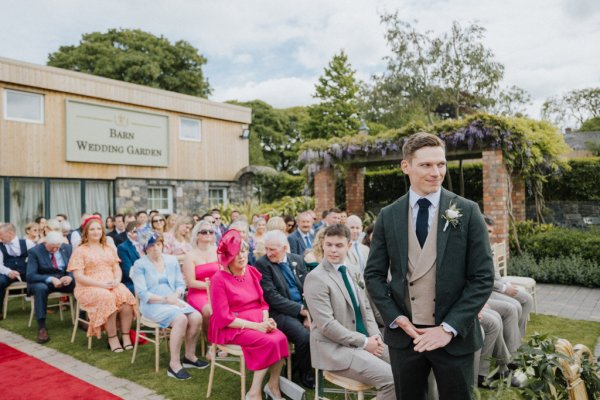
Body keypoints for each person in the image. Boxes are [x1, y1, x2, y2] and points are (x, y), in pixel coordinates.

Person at [364, 132, 494, 399]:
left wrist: (448, 328)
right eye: (426, 165)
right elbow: (374, 275)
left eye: (441, 164)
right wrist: (395, 318)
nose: (436, 172)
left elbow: (482, 278)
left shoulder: (468, 212)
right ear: (406, 166)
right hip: (405, 338)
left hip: (454, 339)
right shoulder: (388, 216)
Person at [304, 224, 395, 400]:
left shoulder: (353, 271)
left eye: (339, 245)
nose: (332, 250)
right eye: (329, 244)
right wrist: (364, 342)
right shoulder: (315, 278)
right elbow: (327, 326)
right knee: (392, 379)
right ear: (322, 244)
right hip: (335, 349)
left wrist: (375, 336)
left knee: (409, 367)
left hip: (365, 339)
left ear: (349, 246)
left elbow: (366, 308)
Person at [209, 230, 289, 400]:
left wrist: (266, 320)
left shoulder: (251, 271)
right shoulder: (219, 279)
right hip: (231, 326)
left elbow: (262, 303)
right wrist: (257, 326)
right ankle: (254, 392)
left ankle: (273, 385)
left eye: (243, 251)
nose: (241, 256)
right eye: (235, 253)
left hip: (256, 321)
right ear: (227, 256)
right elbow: (223, 317)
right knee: (269, 342)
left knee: (281, 338)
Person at [132, 234, 208, 379]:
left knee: (197, 317)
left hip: (173, 300)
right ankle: (174, 365)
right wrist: (166, 299)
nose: (155, 248)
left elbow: (180, 284)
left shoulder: (171, 260)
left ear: (163, 245)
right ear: (145, 248)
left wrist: (175, 295)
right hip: (152, 303)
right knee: (180, 319)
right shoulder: (140, 264)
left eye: (158, 244)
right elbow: (142, 293)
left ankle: (189, 356)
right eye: (151, 245)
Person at [67, 215, 137, 352]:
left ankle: (126, 335)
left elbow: (116, 268)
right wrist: (101, 285)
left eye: (99, 228)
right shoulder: (80, 250)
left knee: (126, 297)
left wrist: (117, 280)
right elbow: (79, 276)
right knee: (107, 298)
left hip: (111, 283)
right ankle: (112, 337)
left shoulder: (109, 248)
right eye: (92, 229)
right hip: (89, 286)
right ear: (86, 232)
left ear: (102, 231)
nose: (96, 232)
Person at [254, 230, 314, 389]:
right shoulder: (262, 264)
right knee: (304, 337)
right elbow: (272, 297)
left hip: (303, 309)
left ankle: (296, 363)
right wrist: (301, 310)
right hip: (278, 313)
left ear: (284, 247)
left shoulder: (297, 260)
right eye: (266, 249)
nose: (268, 253)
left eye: (272, 249)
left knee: (325, 328)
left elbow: (309, 288)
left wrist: (308, 313)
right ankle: (305, 376)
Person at [485, 216, 533, 337]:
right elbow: (483, 278)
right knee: (515, 306)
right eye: (485, 230)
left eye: (490, 231)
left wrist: (506, 284)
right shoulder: (475, 247)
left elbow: (495, 273)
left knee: (527, 299)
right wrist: (504, 288)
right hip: (489, 289)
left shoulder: (488, 245)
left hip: (497, 284)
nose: (488, 234)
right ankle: (513, 340)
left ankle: (519, 336)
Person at [26, 231, 74, 343]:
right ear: (46, 243)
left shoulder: (67, 248)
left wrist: (69, 277)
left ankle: (83, 318)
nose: (55, 250)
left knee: (79, 283)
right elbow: (30, 275)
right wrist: (51, 279)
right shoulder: (35, 251)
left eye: (57, 247)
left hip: (63, 279)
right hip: (43, 281)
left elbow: (73, 267)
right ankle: (42, 326)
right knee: (40, 289)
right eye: (52, 248)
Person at [183, 220, 219, 337]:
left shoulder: (218, 252)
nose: (208, 234)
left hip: (217, 291)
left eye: (211, 231)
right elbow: (190, 282)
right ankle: (210, 342)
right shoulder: (190, 255)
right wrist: (208, 286)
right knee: (209, 311)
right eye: (204, 232)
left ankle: (226, 338)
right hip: (198, 293)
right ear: (197, 235)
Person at [0, 223, 36, 319]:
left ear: (10, 233)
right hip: (7, 272)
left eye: (0, 234)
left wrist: (30, 269)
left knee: (36, 278)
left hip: (25, 271)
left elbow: (37, 259)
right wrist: (9, 272)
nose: (0, 237)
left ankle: (38, 307)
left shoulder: (27, 243)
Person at [117, 222, 140, 294]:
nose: (140, 233)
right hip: (133, 281)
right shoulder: (123, 247)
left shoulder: (148, 245)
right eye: (136, 231)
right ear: (128, 233)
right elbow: (128, 271)